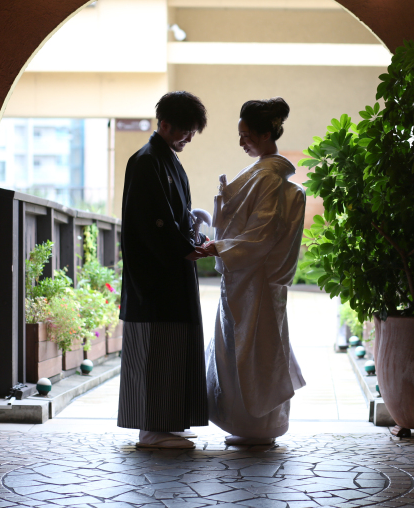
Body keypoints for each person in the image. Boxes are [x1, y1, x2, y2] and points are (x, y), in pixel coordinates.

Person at [202, 97, 307, 446]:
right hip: (249, 278)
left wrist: (218, 246)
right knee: (253, 351)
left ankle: (257, 428)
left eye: (246, 134)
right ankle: (254, 426)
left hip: (253, 279)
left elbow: (261, 234)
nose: (241, 141)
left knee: (252, 353)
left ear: (265, 134)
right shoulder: (268, 172)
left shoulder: (268, 176)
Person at [117, 91, 209, 449]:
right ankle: (151, 428)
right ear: (164, 124)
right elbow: (151, 222)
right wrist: (185, 247)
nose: (187, 138)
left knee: (172, 347)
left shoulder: (165, 159)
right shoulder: (146, 161)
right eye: (184, 131)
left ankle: (168, 421)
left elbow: (173, 216)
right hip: (154, 277)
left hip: (171, 271)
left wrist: (190, 233)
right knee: (156, 348)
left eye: (192, 133)